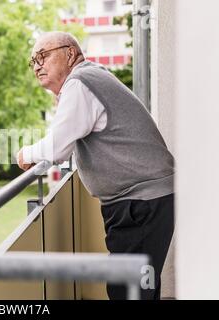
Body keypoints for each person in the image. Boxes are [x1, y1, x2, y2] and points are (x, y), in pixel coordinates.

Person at [16, 31, 174, 300]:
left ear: (69, 53)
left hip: (140, 202)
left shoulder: (80, 83)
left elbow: (56, 147)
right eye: (34, 60)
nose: (37, 65)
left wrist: (25, 154)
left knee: (129, 290)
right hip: (142, 200)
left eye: (43, 55)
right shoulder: (89, 78)